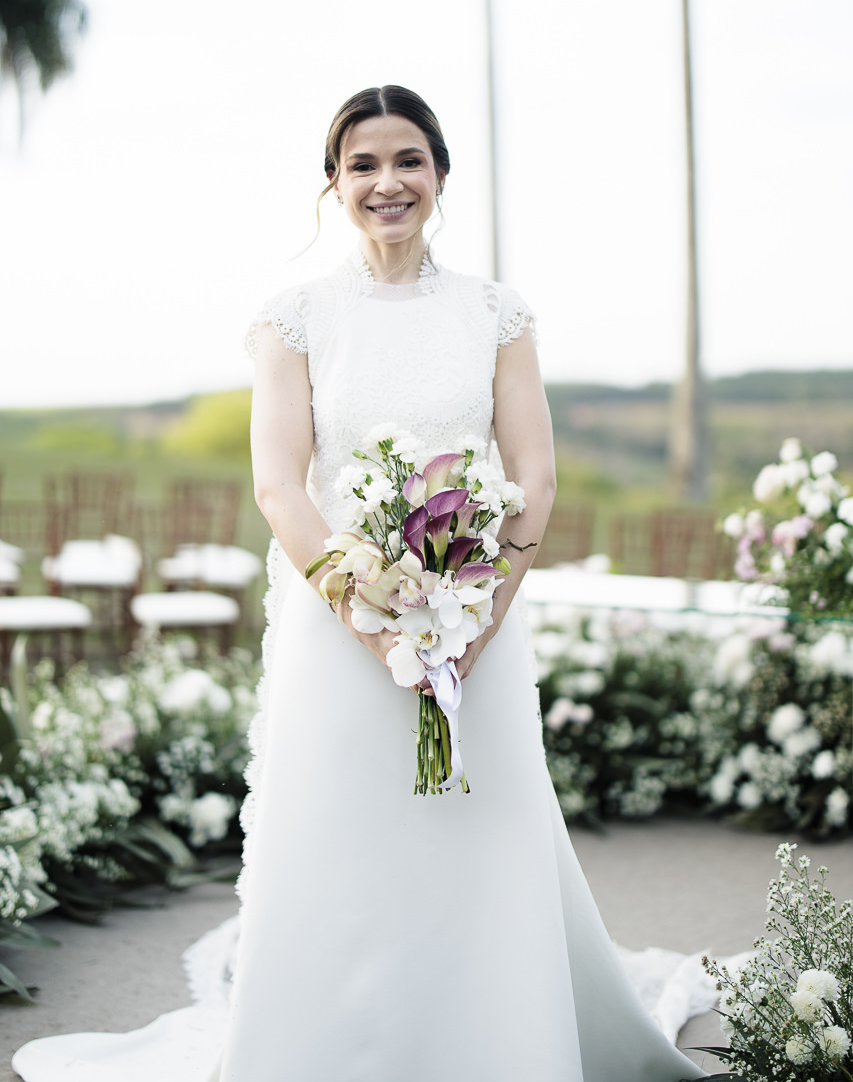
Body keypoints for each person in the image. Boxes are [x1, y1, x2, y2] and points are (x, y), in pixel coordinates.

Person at [12, 86, 708, 1082]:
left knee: (480, 818)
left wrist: (473, 615)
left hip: (478, 619)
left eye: (409, 160)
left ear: (439, 175)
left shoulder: (494, 312)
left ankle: (501, 1038)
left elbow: (535, 472)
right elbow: (277, 482)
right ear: (333, 186)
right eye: (364, 164)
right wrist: (378, 625)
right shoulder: (293, 318)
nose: (388, 181)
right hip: (335, 620)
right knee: (345, 830)